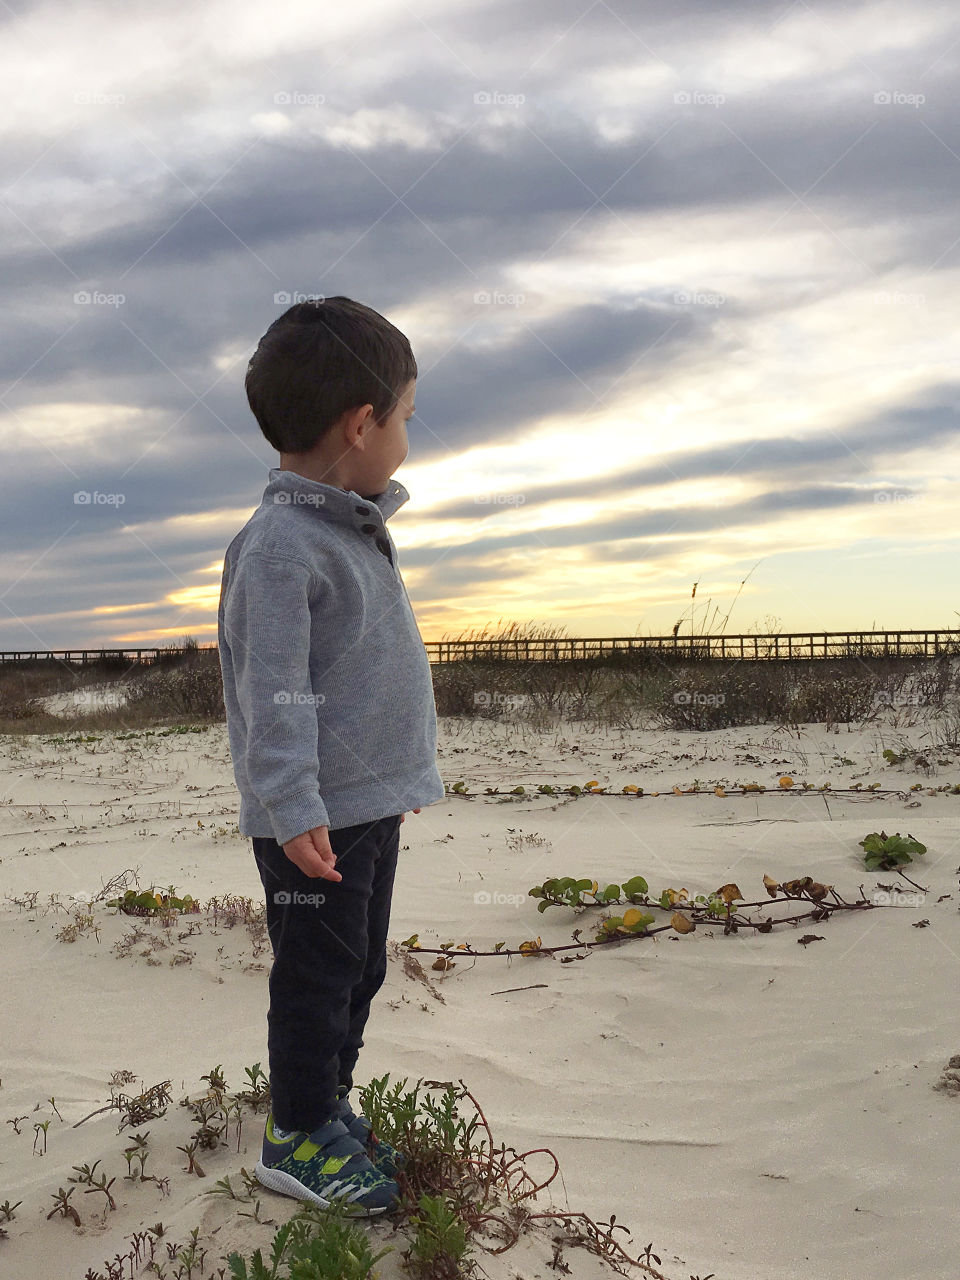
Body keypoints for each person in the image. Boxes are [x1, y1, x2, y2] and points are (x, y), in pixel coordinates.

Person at [217, 296, 445, 1215]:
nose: (406, 437)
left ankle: (329, 1107)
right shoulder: (278, 548)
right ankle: (295, 1134)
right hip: (310, 819)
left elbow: (362, 673)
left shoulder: (349, 527)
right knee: (316, 972)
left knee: (360, 965)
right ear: (363, 422)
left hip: (365, 803)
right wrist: (291, 800)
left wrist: (393, 777)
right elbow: (272, 695)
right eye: (406, 418)